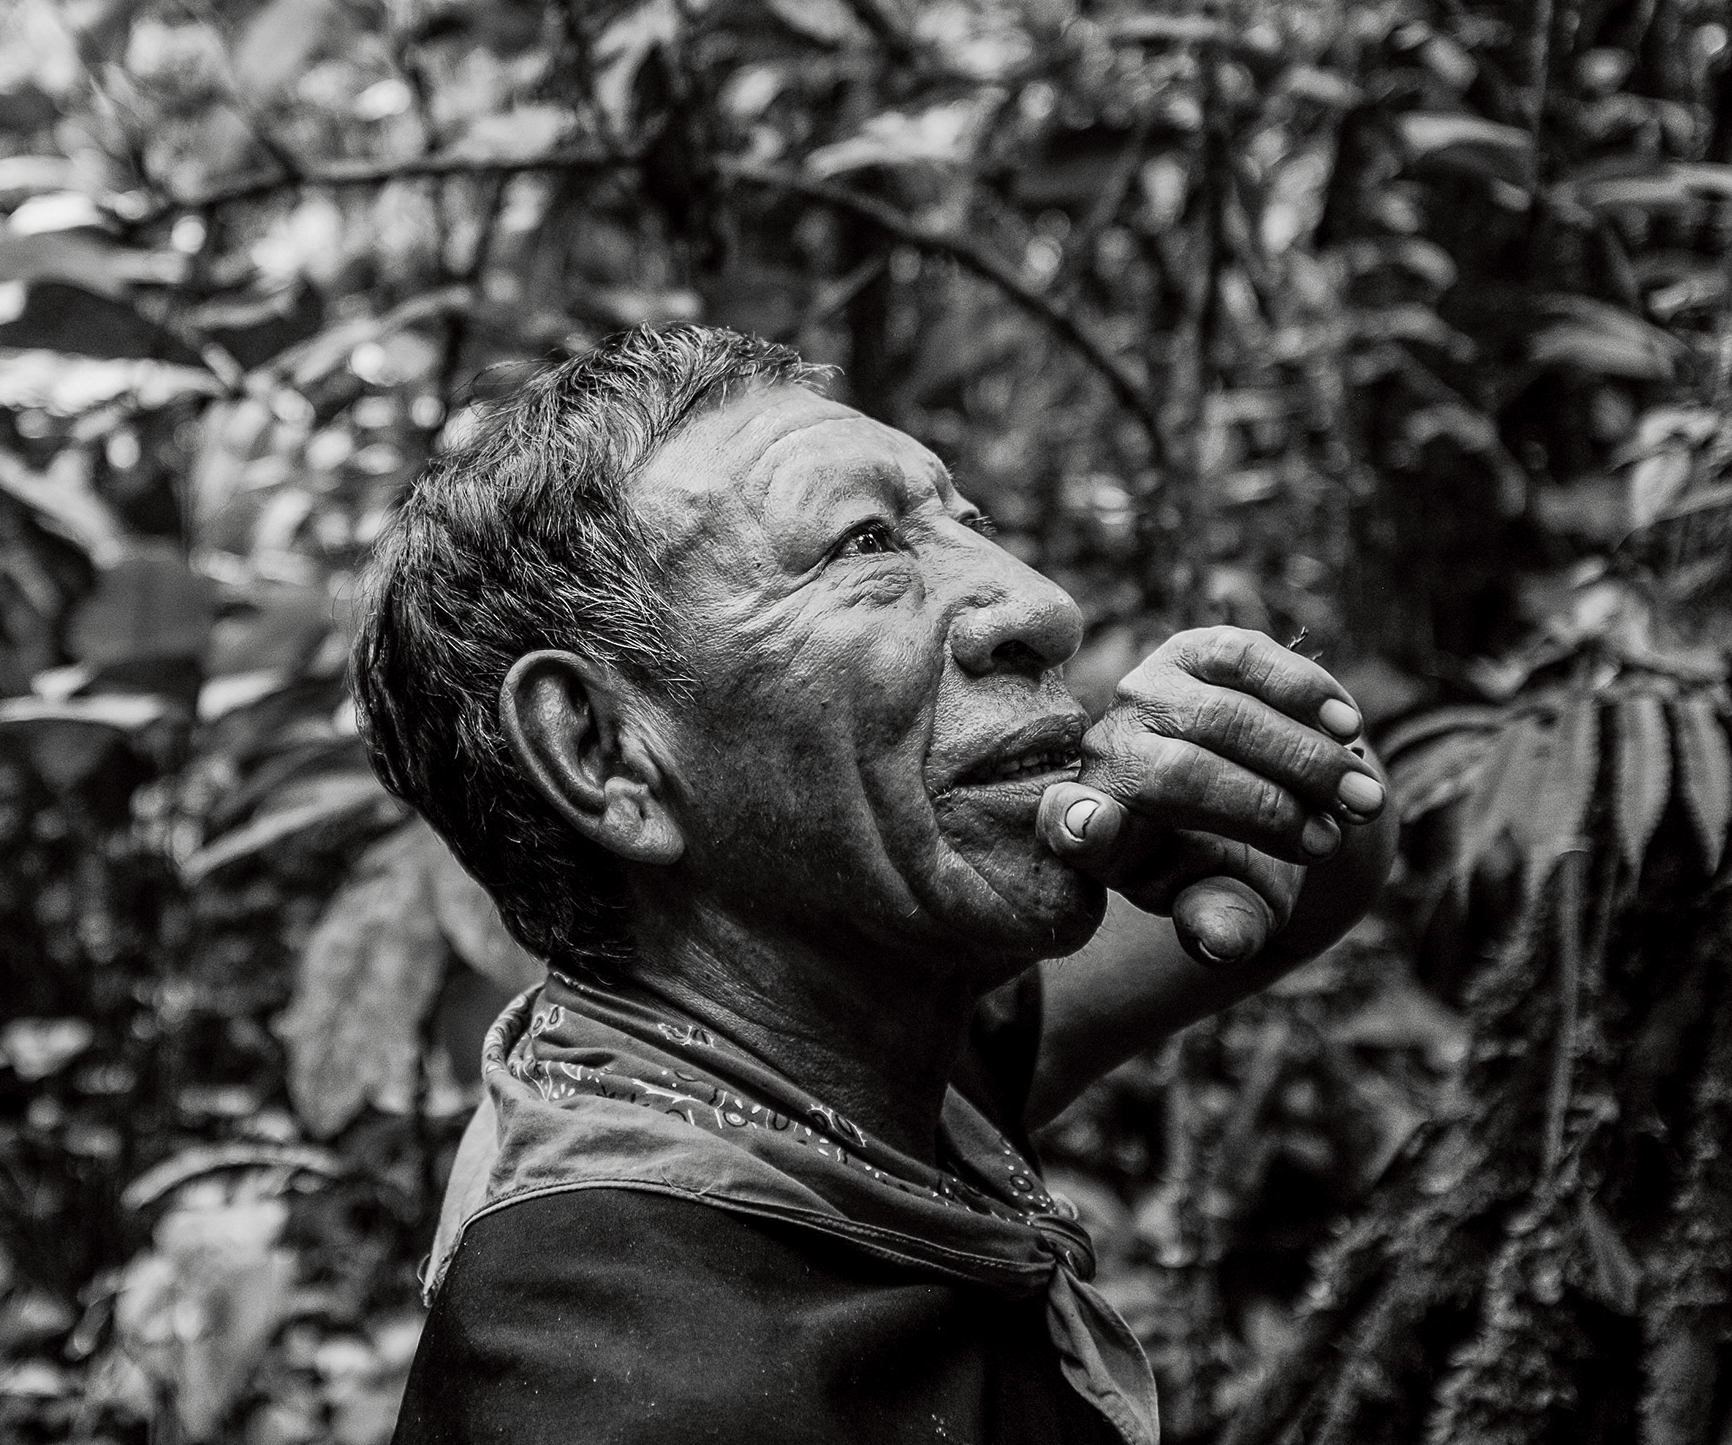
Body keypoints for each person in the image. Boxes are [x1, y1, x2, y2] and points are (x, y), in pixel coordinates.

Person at [354, 324, 1395, 1444]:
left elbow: (1305, 878)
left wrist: (1258, 772)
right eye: (864, 545)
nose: (1041, 606)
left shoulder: (846, 1049)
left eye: (971, 523)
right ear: (603, 751)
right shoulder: (637, 1386)